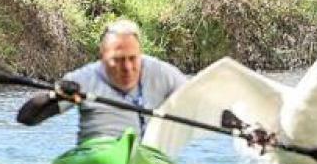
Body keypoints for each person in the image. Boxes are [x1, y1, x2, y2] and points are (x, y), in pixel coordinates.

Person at [16, 19, 188, 142]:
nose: (127, 67)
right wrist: (54, 96)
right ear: (103, 56)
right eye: (118, 59)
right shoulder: (82, 79)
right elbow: (26, 118)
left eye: (133, 58)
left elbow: (199, 98)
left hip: (147, 154)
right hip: (97, 148)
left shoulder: (162, 73)